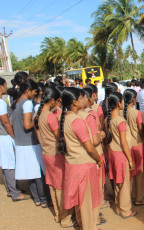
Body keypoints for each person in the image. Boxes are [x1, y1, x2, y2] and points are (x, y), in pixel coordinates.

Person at [58, 88, 104, 229]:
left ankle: (83, 224)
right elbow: (90, 148)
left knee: (81, 200)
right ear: (75, 101)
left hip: (74, 163)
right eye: (82, 98)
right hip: (84, 165)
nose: (85, 100)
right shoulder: (77, 121)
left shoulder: (65, 117)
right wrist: (98, 159)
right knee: (87, 202)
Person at [33, 87, 75, 227]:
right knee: (61, 187)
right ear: (52, 100)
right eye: (57, 101)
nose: (58, 103)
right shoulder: (50, 117)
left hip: (46, 153)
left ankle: (58, 214)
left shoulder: (38, 115)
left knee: (53, 185)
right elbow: (58, 136)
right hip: (55, 154)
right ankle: (65, 218)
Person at [11, 79, 48, 207]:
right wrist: (38, 120)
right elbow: (27, 125)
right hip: (30, 143)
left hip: (20, 142)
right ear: (27, 91)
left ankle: (37, 198)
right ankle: (44, 199)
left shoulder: (17, 102)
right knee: (38, 172)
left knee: (30, 173)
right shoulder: (27, 103)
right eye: (34, 92)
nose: (34, 94)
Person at [106, 92, 137, 218]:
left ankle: (119, 206)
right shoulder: (120, 121)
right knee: (124, 183)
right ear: (118, 103)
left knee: (117, 182)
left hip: (113, 153)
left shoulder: (108, 119)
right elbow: (124, 143)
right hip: (121, 155)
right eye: (122, 101)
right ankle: (125, 210)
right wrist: (130, 160)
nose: (123, 103)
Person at [0, 78, 29, 201]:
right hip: (5, 136)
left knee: (6, 164)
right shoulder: (1, 103)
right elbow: (5, 121)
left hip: (3, 135)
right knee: (9, 164)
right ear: (1, 86)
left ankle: (11, 189)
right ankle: (15, 192)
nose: (6, 88)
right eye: (5, 85)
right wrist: (13, 136)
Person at [123, 89, 144, 206]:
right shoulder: (136, 113)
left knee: (131, 171)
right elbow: (140, 129)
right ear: (134, 99)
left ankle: (131, 195)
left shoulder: (122, 112)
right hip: (137, 143)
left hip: (127, 145)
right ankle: (139, 197)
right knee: (140, 172)